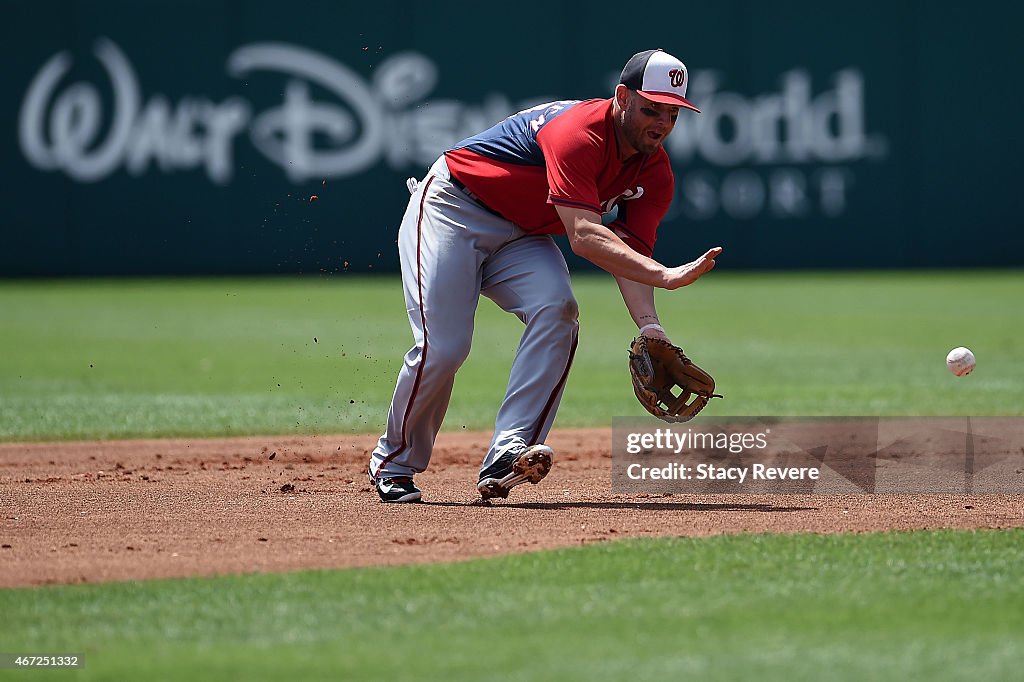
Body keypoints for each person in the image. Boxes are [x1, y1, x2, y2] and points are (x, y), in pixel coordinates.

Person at [368, 49, 722, 503]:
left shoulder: (655, 171)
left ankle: (508, 452)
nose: (661, 122)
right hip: (454, 209)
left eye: (672, 112)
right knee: (445, 346)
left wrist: (651, 326)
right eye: (651, 108)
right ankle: (394, 461)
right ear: (622, 97)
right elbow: (585, 236)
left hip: (524, 232)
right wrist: (665, 276)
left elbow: (627, 248)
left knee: (559, 309)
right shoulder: (579, 133)